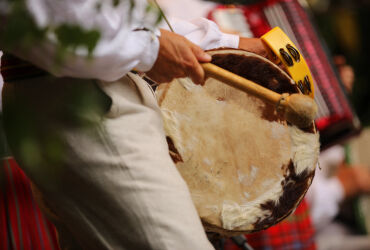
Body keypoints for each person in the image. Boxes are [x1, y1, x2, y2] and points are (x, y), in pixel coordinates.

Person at [0, 1, 269, 249]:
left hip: (91, 87)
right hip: (81, 96)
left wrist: (232, 44)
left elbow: (118, 15)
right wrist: (147, 47)